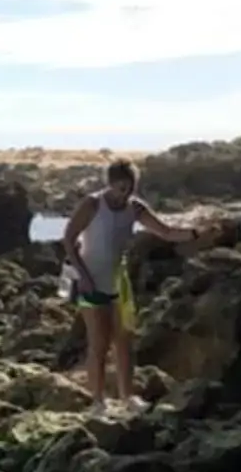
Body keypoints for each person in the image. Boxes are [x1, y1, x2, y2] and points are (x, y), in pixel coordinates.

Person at [61, 157, 187, 415]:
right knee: (99, 342)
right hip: (91, 279)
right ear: (110, 183)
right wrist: (82, 276)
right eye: (121, 188)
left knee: (125, 340)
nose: (126, 193)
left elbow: (166, 232)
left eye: (130, 188)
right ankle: (97, 402)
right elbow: (68, 239)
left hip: (120, 280)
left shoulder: (135, 208)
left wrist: (196, 233)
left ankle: (128, 397)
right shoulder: (92, 204)